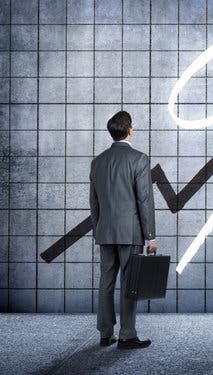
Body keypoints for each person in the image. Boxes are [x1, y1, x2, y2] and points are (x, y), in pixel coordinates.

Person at [89, 110, 158, 349]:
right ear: (130, 130)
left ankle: (105, 333)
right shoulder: (139, 159)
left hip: (105, 231)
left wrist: (99, 229)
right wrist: (151, 236)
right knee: (130, 283)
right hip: (130, 233)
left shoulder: (98, 161)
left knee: (106, 281)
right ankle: (127, 335)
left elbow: (94, 202)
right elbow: (144, 200)